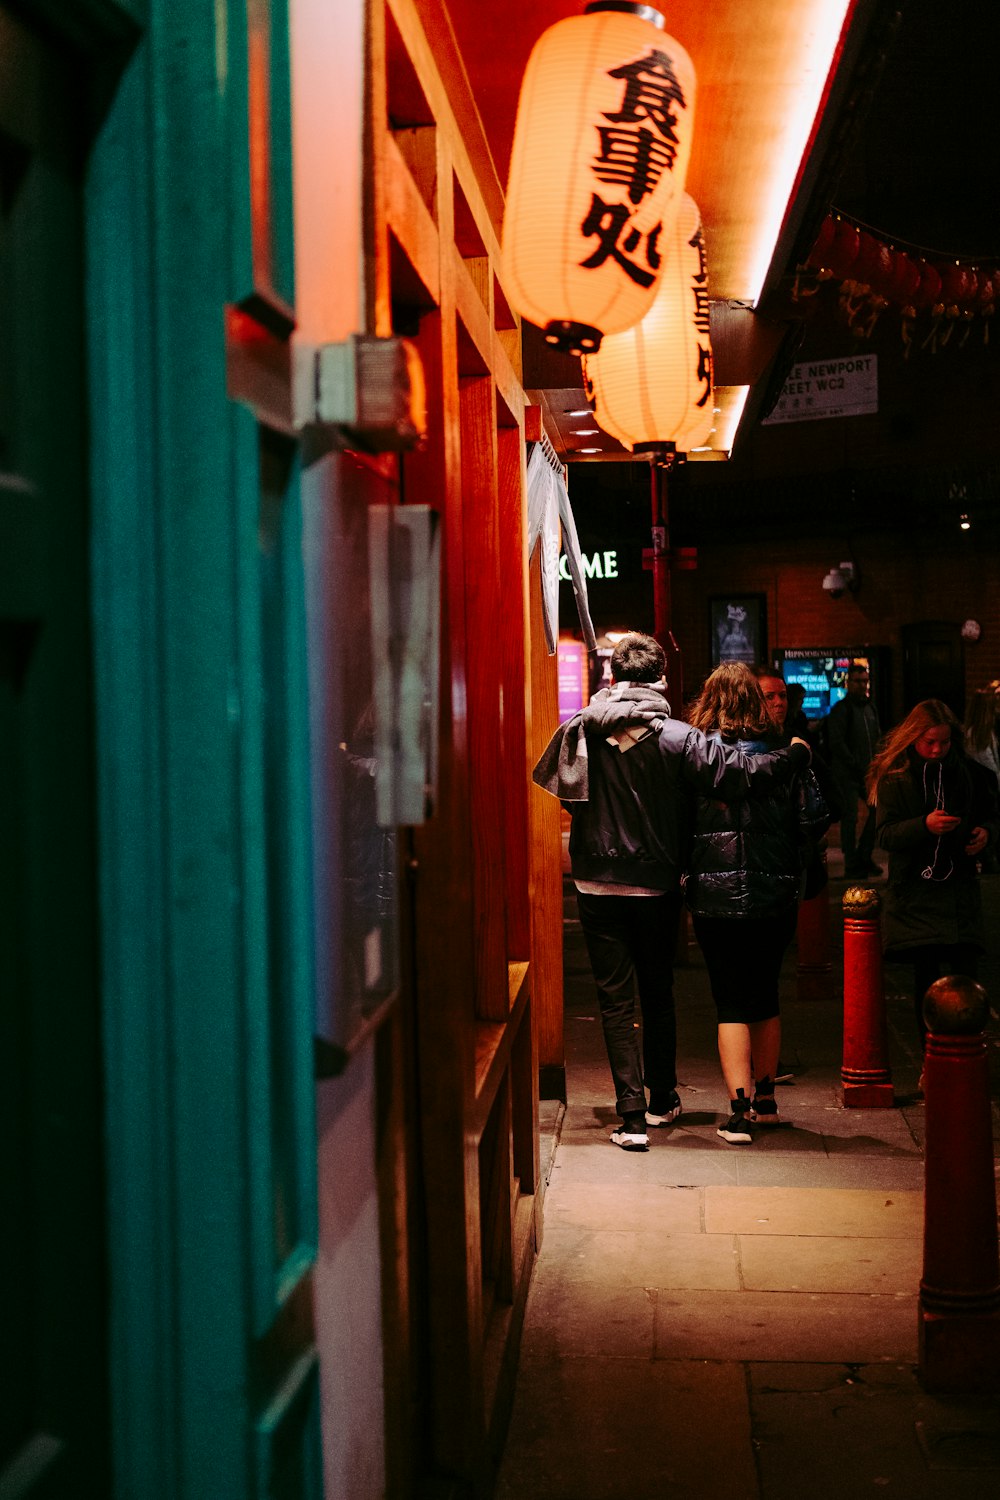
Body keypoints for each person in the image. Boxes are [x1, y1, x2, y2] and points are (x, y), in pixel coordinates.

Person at [532, 633, 812, 1152]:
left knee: (614, 1001)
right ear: (661, 678)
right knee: (657, 991)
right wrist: (792, 755)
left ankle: (632, 1118)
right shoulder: (679, 738)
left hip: (595, 881)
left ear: (612, 679)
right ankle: (663, 1099)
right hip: (657, 883)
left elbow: (571, 798)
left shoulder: (580, 731)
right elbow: (739, 775)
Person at [686, 663, 830, 1144]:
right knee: (765, 993)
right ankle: (768, 1099)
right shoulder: (787, 753)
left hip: (714, 894)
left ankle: (739, 1108)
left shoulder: (696, 756)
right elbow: (814, 819)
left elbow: (678, 824)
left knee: (730, 1000)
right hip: (774, 892)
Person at [867, 699, 998, 1063]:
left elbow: (991, 816)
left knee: (967, 981)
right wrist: (924, 826)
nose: (938, 750)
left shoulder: (970, 775)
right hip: (916, 893)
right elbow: (886, 835)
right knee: (927, 981)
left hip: (959, 891)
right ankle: (932, 1061)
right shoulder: (897, 778)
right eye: (929, 743)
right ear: (913, 740)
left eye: (943, 742)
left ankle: (967, 1060)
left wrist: (986, 834)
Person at [828, 661, 881, 878]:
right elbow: (837, 743)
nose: (862, 686)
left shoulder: (870, 707)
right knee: (849, 818)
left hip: (868, 773)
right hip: (848, 775)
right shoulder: (842, 709)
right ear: (849, 683)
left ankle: (864, 856)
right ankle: (852, 863)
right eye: (858, 681)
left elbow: (877, 737)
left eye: (865, 682)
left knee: (878, 812)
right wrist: (854, 764)